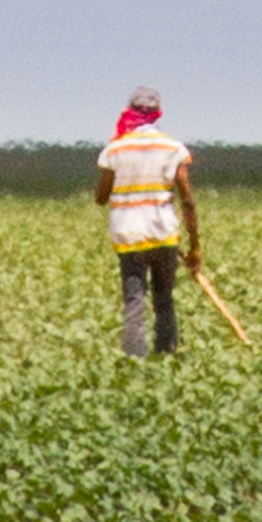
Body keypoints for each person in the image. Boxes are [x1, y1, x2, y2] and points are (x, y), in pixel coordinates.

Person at [100, 89, 208, 357]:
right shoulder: (173, 149)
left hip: (129, 237)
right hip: (164, 236)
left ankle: (135, 364)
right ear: (157, 114)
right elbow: (188, 200)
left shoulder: (114, 149)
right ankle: (167, 357)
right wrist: (195, 246)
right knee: (164, 299)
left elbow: (101, 197)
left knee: (134, 301)